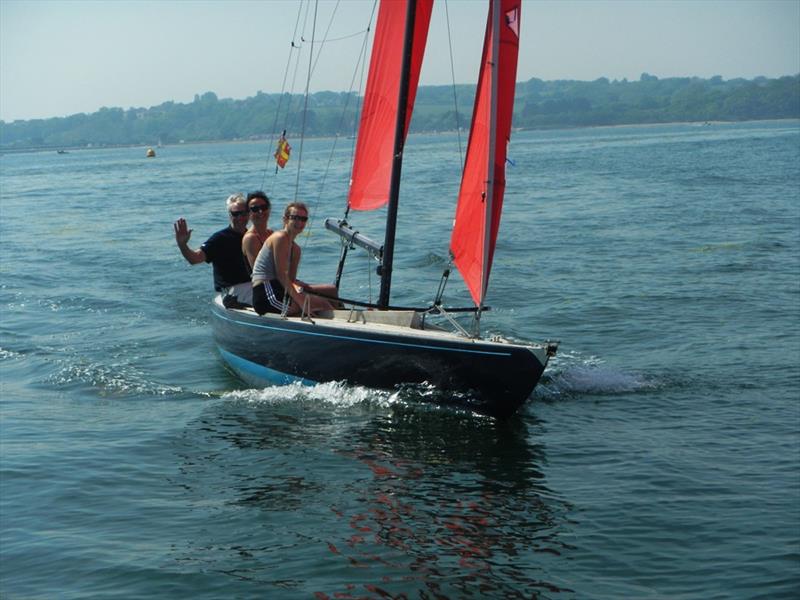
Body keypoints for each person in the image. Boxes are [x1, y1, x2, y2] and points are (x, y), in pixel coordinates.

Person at [251, 202, 340, 317]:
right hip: (266, 293)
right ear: (285, 219)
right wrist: (302, 302)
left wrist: (304, 289)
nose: (300, 222)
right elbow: (281, 275)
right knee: (320, 304)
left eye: (303, 219)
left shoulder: (296, 249)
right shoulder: (280, 237)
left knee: (328, 295)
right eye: (295, 218)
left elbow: (291, 280)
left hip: (280, 290)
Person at [173, 193, 253, 305]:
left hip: (251, 286)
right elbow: (194, 259)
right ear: (230, 215)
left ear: (249, 214)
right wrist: (182, 244)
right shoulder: (220, 238)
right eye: (236, 214)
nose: (240, 218)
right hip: (231, 292)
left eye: (244, 213)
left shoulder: (253, 236)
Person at [242, 191, 273, 269]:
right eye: (255, 209)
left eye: (264, 207)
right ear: (248, 214)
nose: (260, 211)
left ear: (269, 209)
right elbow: (259, 271)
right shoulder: (251, 238)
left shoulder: (271, 233)